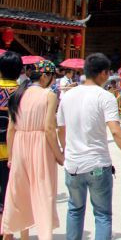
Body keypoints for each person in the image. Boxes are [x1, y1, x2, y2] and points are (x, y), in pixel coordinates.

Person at [57, 53, 121, 240]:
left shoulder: (68, 96)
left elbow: (60, 127)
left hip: (74, 163)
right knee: (102, 214)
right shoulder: (105, 96)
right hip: (97, 163)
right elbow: (116, 131)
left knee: (74, 210)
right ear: (102, 73)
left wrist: (65, 149)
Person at [3, 60, 64, 239]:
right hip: (40, 146)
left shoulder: (18, 94)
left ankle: (22, 235)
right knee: (43, 191)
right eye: (53, 77)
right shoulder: (49, 95)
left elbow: (11, 128)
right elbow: (49, 128)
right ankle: (45, 235)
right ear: (45, 76)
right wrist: (59, 155)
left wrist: (12, 156)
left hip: (20, 145)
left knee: (19, 193)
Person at [0, 52, 26, 240]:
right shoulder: (22, 93)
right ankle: (6, 230)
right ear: (20, 71)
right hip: (13, 150)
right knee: (9, 191)